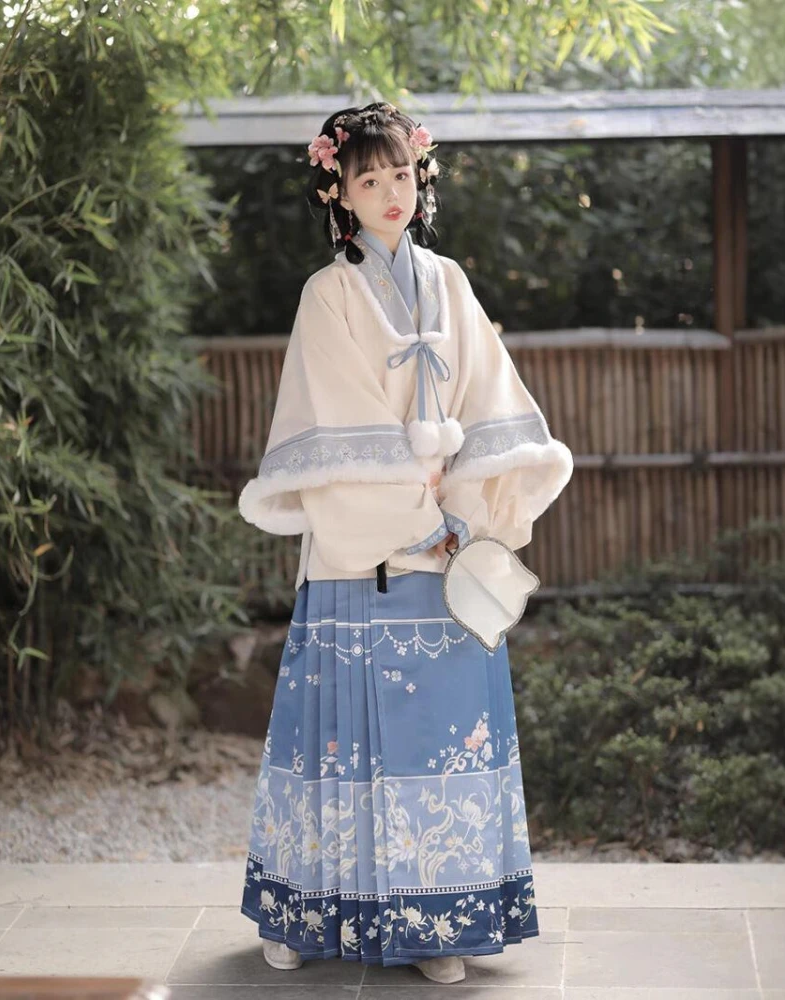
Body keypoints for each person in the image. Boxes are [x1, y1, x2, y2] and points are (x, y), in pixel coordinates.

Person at [236, 102, 573, 985]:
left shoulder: (449, 282)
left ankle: (441, 923)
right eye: (369, 179)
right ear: (339, 194)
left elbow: (490, 401)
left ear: (420, 180)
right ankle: (309, 914)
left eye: (401, 175)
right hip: (363, 551)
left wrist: (463, 511)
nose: (391, 193)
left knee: (442, 737)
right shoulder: (329, 295)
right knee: (338, 737)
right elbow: (333, 422)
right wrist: (412, 508)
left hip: (450, 544)